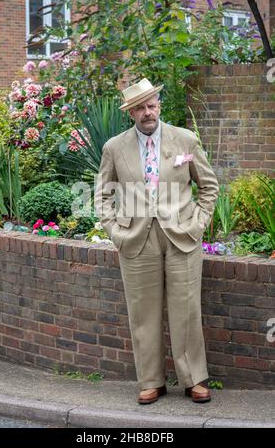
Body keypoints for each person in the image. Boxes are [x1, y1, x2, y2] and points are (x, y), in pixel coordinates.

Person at [95, 78, 219, 404]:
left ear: (159, 106)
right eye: (140, 108)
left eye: (152, 105)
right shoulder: (114, 148)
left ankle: (193, 379)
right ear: (131, 113)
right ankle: (151, 380)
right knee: (143, 313)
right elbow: (102, 196)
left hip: (182, 238)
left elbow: (208, 187)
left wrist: (199, 224)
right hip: (136, 241)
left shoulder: (186, 140)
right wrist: (116, 234)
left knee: (186, 310)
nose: (147, 112)